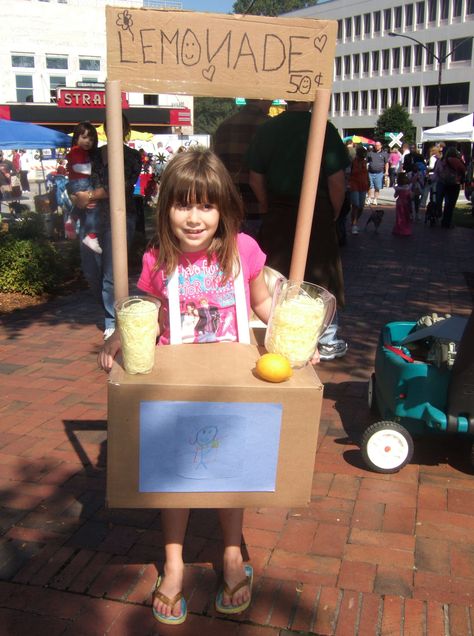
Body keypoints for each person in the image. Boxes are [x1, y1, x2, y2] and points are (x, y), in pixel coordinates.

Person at [98, 150, 298, 626]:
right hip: (177, 383)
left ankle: (232, 553)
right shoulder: (157, 257)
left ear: (224, 210)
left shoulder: (243, 250)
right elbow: (144, 309)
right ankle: (173, 562)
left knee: (234, 470)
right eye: (182, 205)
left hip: (233, 382)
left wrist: (293, 338)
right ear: (165, 207)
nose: (194, 218)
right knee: (174, 475)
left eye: (205, 206)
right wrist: (117, 335)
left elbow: (264, 304)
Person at [247, 100, 350, 361]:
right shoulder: (323, 128)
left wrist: (267, 205)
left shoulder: (268, 129)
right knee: (322, 272)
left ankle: (274, 329)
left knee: (273, 273)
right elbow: (337, 180)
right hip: (317, 210)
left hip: (278, 212)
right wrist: (335, 211)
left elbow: (255, 178)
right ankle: (326, 337)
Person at [71, 114, 142, 339]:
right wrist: (75, 196)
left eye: (119, 125)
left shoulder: (131, 156)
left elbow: (121, 186)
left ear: (125, 129)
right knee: (92, 271)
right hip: (91, 218)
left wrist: (89, 195)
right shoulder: (92, 153)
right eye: (110, 125)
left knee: (112, 273)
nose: (114, 129)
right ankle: (108, 311)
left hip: (119, 219)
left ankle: (112, 320)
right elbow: (75, 177)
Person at [213, 99, 271, 238]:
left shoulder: (224, 127)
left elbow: (215, 167)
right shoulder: (270, 126)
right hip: (260, 207)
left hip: (229, 207)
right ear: (263, 98)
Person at [67, 122, 102, 254]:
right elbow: (78, 167)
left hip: (77, 183)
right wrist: (91, 169)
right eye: (84, 137)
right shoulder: (77, 151)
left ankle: (72, 218)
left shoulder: (81, 152)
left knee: (84, 205)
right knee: (92, 207)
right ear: (76, 138)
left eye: (91, 139)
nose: (88, 141)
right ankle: (91, 236)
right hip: (81, 182)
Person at [434, 146, 467, 228]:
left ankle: (441, 218)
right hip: (454, 183)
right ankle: (447, 222)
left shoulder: (441, 161)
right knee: (451, 204)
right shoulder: (456, 160)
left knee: (445, 202)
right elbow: (464, 170)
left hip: (443, 183)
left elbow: (437, 171)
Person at [348, 144, 369, 235]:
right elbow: (349, 173)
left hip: (363, 185)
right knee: (355, 204)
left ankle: (355, 220)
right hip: (354, 185)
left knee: (361, 207)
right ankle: (354, 224)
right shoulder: (353, 162)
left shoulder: (364, 162)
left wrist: (368, 183)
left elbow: (366, 174)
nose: (363, 158)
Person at [366, 140, 389, 206]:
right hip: (370, 172)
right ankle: (369, 198)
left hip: (379, 173)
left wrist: (386, 171)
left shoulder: (384, 154)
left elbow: (386, 163)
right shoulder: (370, 153)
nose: (377, 147)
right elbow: (366, 162)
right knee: (369, 186)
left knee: (377, 187)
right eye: (375, 145)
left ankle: (375, 199)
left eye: (378, 145)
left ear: (381, 146)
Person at [392, 172, 412, 236]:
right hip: (406, 203)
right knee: (406, 216)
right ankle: (405, 229)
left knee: (399, 216)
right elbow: (410, 196)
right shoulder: (408, 188)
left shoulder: (398, 188)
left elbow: (395, 196)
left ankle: (399, 229)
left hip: (399, 203)